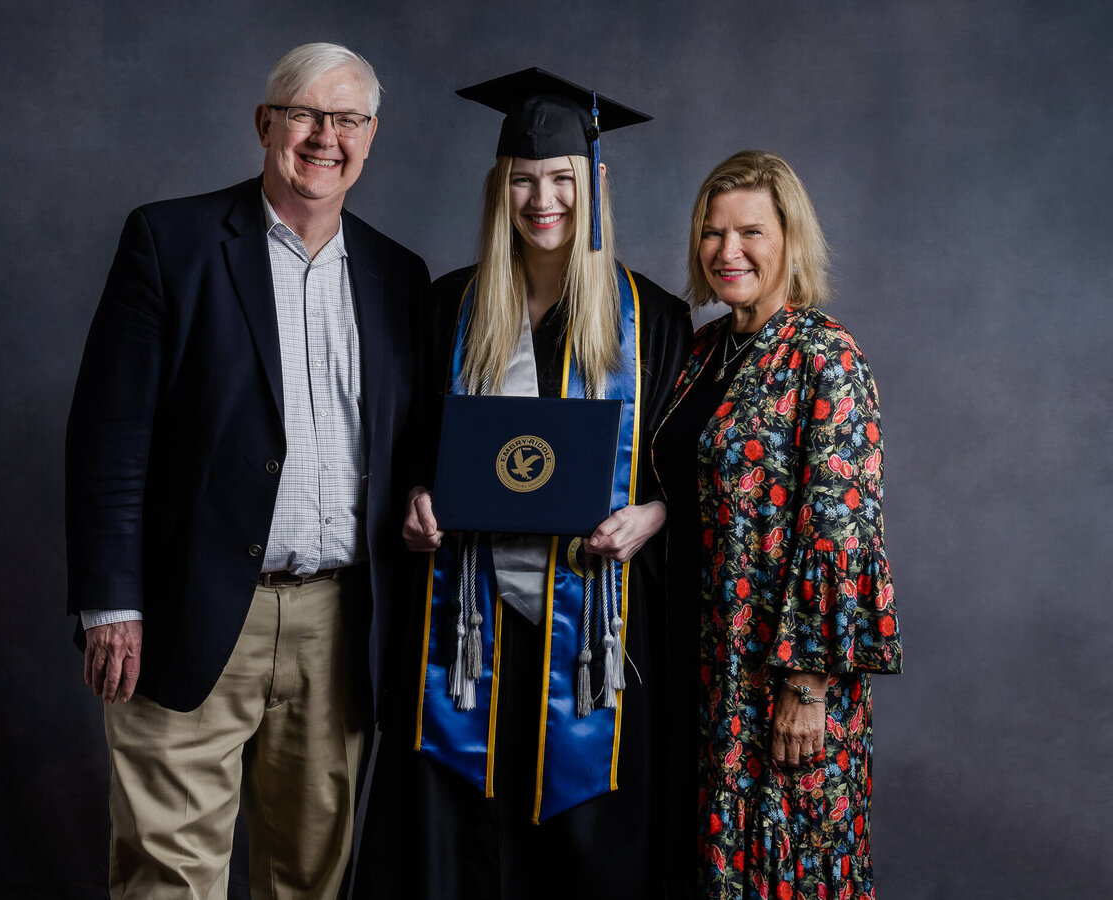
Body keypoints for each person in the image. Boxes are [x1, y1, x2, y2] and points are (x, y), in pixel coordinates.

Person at [65, 42, 428, 899]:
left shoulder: (396, 275)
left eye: (345, 120)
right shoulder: (172, 240)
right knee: (168, 877)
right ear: (265, 122)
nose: (323, 138)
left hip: (338, 627)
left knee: (309, 878)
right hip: (185, 613)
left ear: (371, 136)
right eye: (304, 113)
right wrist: (112, 603)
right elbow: (110, 435)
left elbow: (410, 442)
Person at [353, 69, 691, 899]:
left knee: (585, 851)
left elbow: (686, 478)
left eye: (563, 180)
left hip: (595, 637)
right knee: (464, 840)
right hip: (467, 630)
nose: (544, 200)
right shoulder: (447, 309)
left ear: (594, 187)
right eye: (524, 180)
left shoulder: (656, 322)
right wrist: (414, 505)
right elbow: (406, 456)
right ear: (500, 189)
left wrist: (655, 516)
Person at [652, 149, 903, 899]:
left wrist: (809, 685)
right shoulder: (701, 355)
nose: (728, 252)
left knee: (783, 858)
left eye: (750, 232)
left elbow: (843, 532)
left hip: (778, 675)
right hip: (701, 659)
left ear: (791, 239)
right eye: (712, 232)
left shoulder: (826, 357)